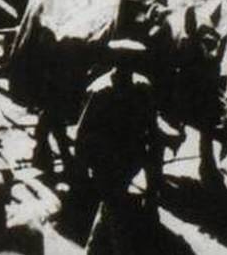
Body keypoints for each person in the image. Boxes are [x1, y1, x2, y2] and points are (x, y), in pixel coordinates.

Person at [71, 40, 169, 252]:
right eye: (123, 59)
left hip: (131, 159)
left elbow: (152, 127)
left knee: (111, 208)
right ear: (115, 60)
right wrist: (82, 167)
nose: (127, 65)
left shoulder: (142, 87)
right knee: (116, 210)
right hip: (105, 161)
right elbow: (83, 132)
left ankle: (95, 247)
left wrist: (154, 173)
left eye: (131, 60)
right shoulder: (100, 90)